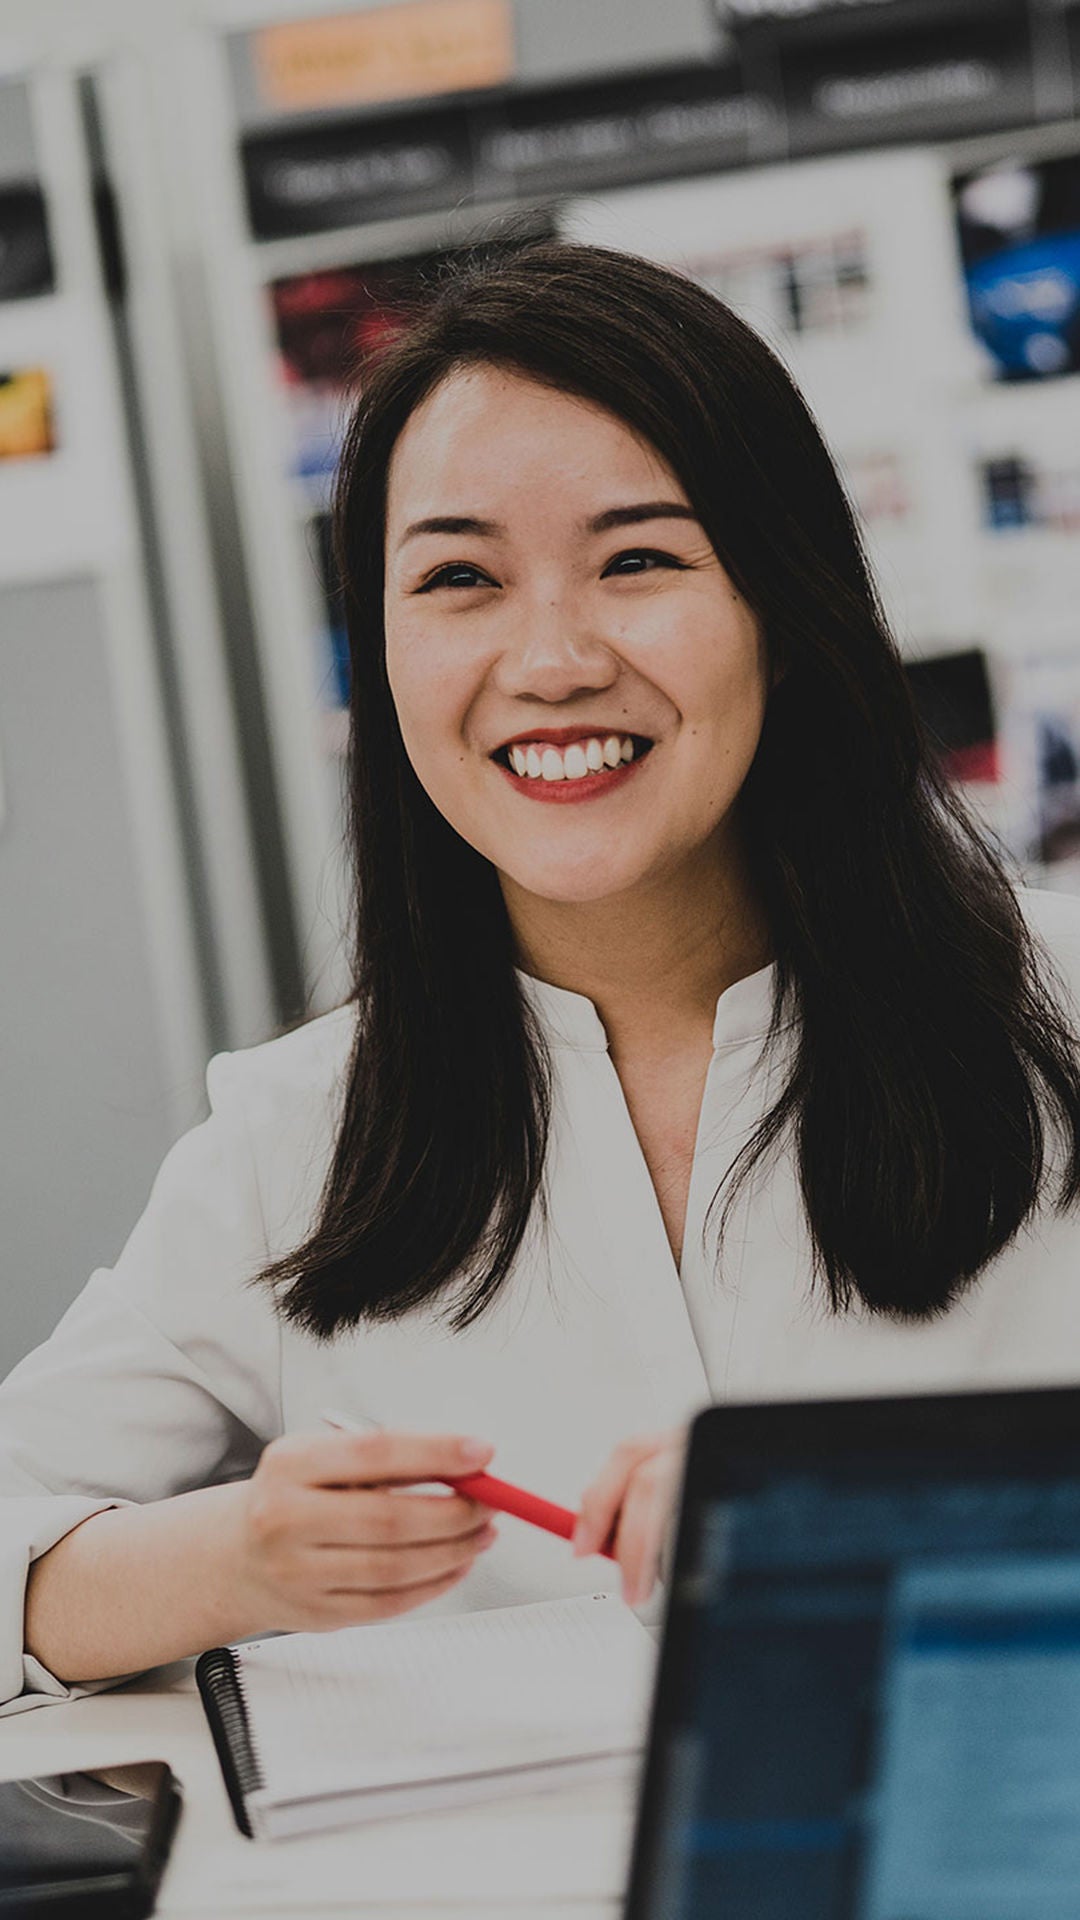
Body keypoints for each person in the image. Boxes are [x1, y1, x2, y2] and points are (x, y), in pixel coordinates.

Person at [5, 239, 1080, 1717]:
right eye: (459, 578)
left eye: (639, 559)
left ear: (789, 601)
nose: (554, 658)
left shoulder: (1062, 1004)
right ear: (380, 652)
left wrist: (842, 1508)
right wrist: (238, 1558)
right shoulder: (298, 1137)